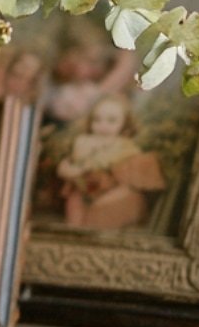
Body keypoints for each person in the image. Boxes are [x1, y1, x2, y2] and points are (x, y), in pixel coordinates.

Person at [56, 91, 165, 229]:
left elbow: (128, 182)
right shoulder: (83, 142)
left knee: (108, 205)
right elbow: (66, 166)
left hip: (112, 191)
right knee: (74, 201)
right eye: (97, 120)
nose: (103, 125)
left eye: (111, 120)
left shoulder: (125, 147)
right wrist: (70, 171)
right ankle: (74, 230)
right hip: (83, 188)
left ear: (124, 124)